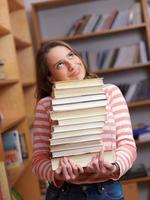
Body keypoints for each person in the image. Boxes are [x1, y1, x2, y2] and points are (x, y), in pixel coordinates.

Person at [32, 40, 137, 200]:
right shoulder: (45, 106)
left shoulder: (110, 93)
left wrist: (113, 167)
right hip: (65, 193)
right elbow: (39, 160)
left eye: (71, 55)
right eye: (60, 64)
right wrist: (57, 172)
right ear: (50, 78)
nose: (72, 65)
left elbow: (127, 145)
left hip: (107, 191)